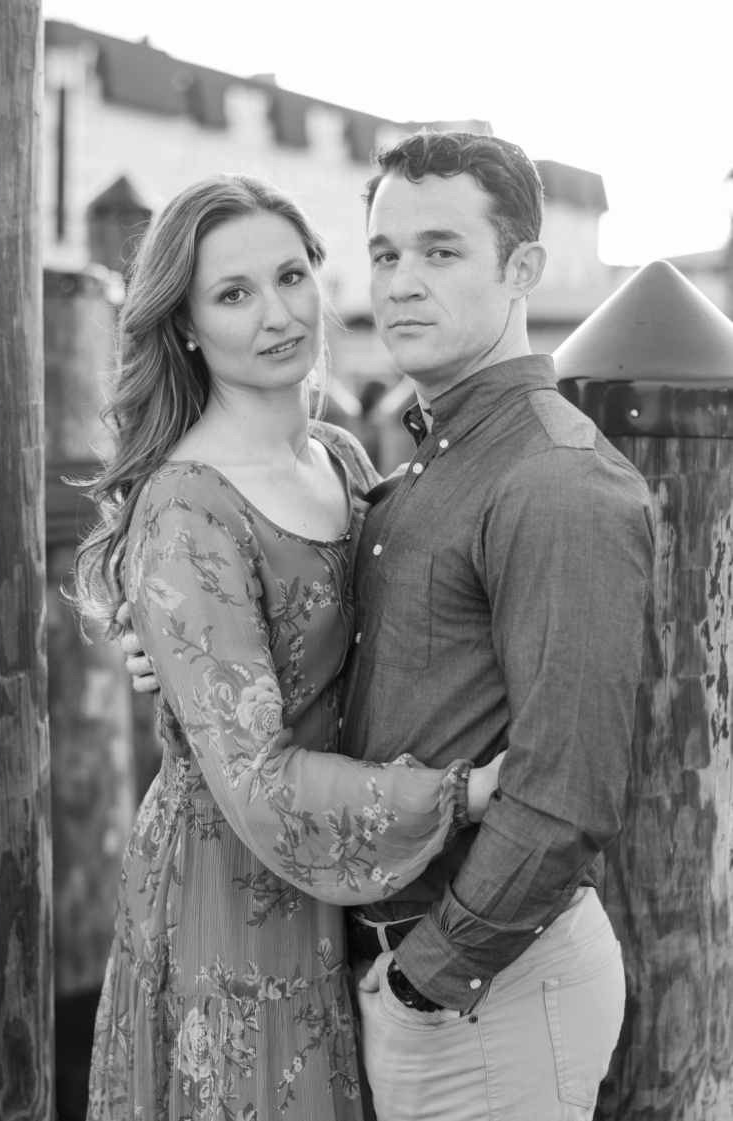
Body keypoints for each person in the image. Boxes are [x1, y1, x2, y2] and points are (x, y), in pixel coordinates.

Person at [120, 132, 654, 1120]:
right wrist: (175, 658)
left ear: (522, 269)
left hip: (444, 964)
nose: (402, 282)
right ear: (185, 324)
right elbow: (284, 680)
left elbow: (569, 785)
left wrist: (425, 975)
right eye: (386, 253)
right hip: (260, 911)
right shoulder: (383, 475)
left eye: (440, 252)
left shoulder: (503, 475)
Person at [71, 173, 505, 1121]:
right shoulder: (187, 507)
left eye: (291, 275)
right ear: (184, 325)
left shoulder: (344, 461)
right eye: (234, 294)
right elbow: (257, 777)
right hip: (232, 887)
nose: (277, 314)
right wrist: (464, 791)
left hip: (348, 881)